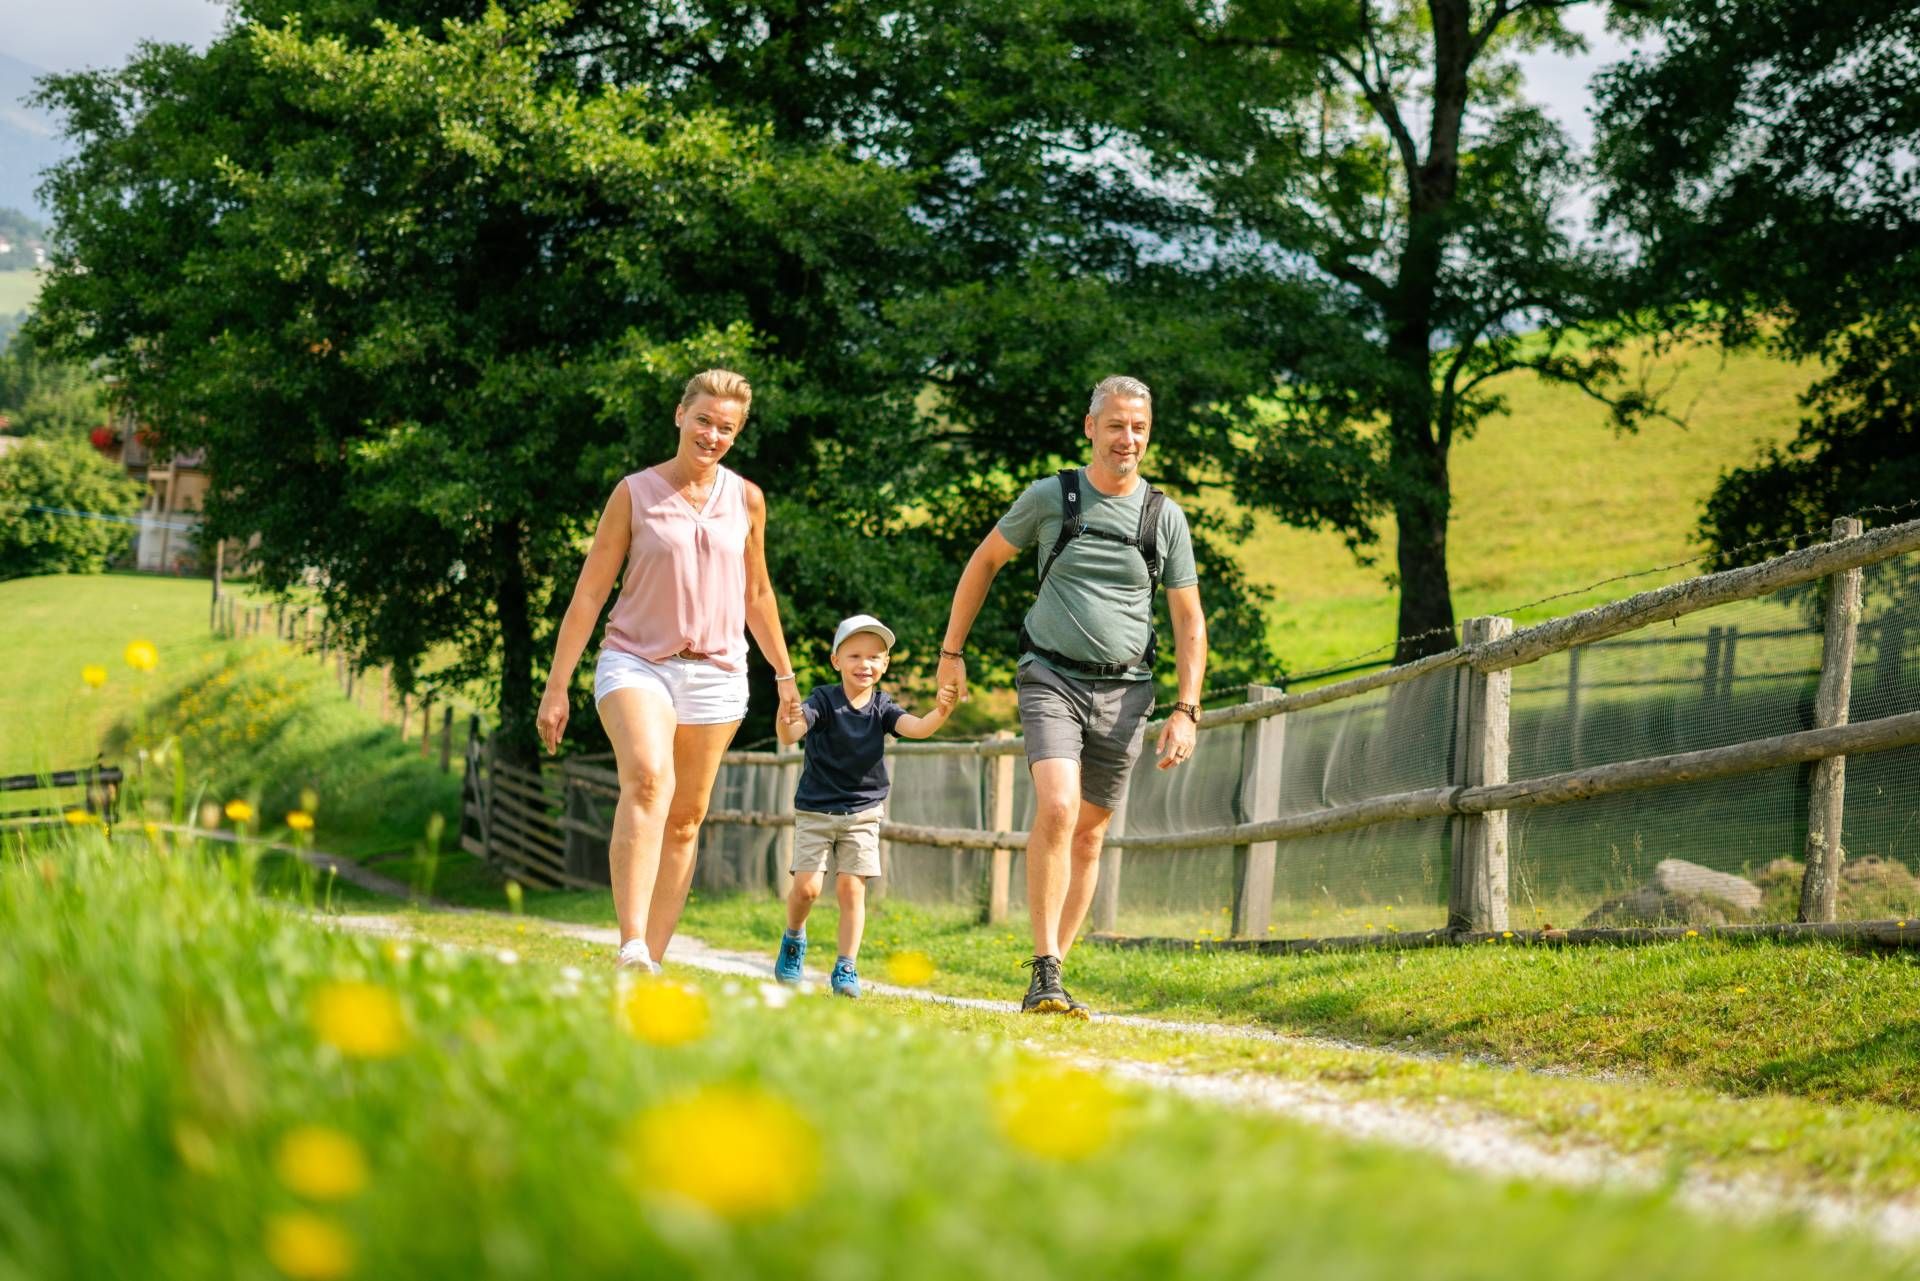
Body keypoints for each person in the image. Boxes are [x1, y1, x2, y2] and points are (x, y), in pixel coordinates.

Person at [936, 375, 1207, 1018]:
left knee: (1089, 836)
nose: (1128, 439)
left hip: (1128, 689)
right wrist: (951, 653)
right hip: (1050, 676)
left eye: (1138, 427)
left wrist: (1186, 708)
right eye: (1115, 425)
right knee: (1058, 808)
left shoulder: (1163, 516)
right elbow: (983, 563)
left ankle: (1054, 974)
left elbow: (1189, 621)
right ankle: (1045, 968)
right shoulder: (1050, 497)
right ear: (1090, 427)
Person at [535, 369, 801, 973]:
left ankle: (649, 963)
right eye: (703, 419)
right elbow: (588, 594)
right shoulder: (635, 493)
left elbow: (757, 593)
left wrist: (784, 675)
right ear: (680, 416)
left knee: (685, 819)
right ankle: (630, 943)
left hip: (718, 673)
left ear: (737, 434)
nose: (712, 434)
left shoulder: (747, 499)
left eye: (726, 427)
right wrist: (557, 687)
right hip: (636, 661)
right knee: (650, 781)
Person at [772, 614, 959, 996]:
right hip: (816, 809)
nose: (865, 664)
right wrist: (786, 713)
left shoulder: (883, 707)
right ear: (836, 661)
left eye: (875, 657)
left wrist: (941, 711)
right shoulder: (823, 700)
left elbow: (916, 728)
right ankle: (794, 938)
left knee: (851, 889)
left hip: (862, 812)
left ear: (885, 664)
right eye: (855, 655)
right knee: (806, 889)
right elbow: (792, 734)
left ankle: (846, 966)